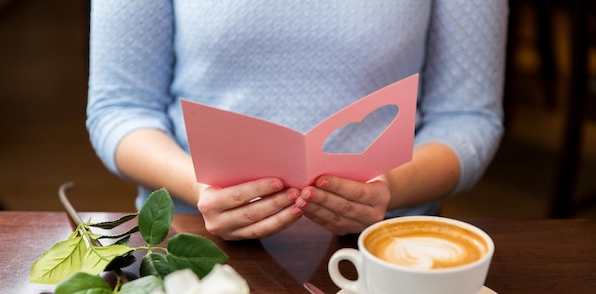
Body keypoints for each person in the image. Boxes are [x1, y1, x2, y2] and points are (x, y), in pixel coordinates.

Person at [87, 1, 508, 241]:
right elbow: (121, 108)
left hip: (385, 246)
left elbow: (468, 117)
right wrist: (199, 187)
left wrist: (391, 188)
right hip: (192, 235)